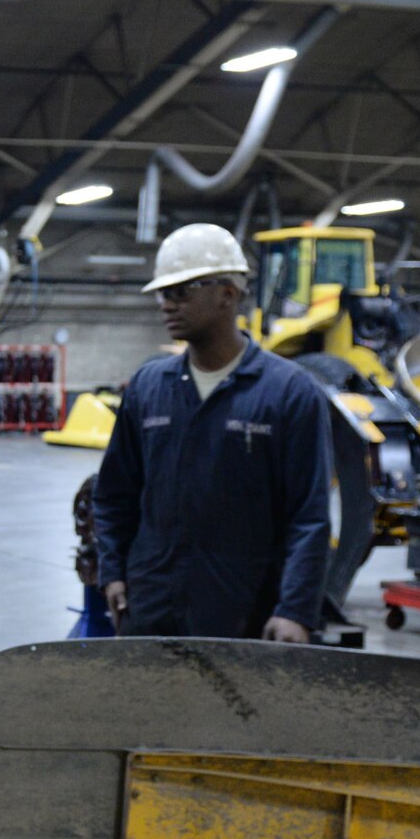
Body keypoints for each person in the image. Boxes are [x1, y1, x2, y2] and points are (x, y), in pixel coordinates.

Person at [92, 222, 331, 643]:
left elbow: (308, 517)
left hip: (245, 614)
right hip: (151, 608)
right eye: (164, 294)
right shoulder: (149, 388)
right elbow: (115, 495)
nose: (167, 304)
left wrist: (295, 609)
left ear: (227, 293)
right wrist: (112, 574)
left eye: (182, 291)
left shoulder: (288, 393)